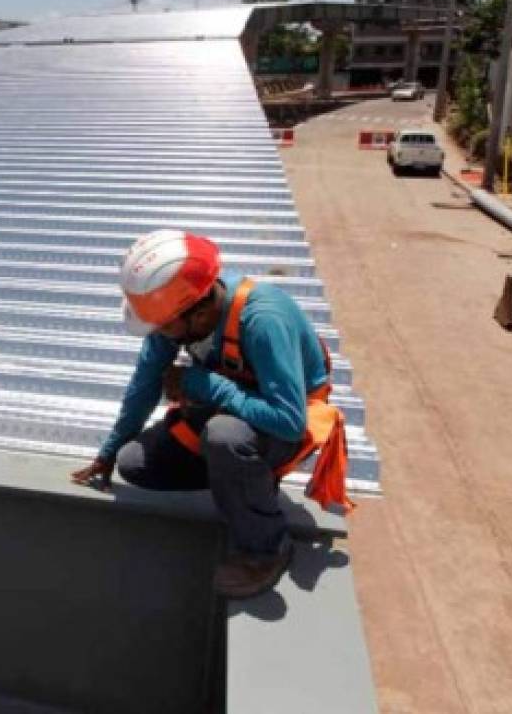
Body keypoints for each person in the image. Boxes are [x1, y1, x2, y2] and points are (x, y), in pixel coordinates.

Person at [71, 229, 331, 598]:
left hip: (288, 423)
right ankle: (242, 482)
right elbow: (144, 385)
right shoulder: (177, 319)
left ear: (201, 309)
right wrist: (110, 450)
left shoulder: (263, 321)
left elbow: (289, 422)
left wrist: (204, 384)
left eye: (165, 326)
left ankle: (265, 547)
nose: (159, 333)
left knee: (225, 435)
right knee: (136, 463)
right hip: (238, 409)